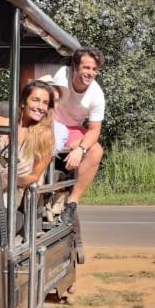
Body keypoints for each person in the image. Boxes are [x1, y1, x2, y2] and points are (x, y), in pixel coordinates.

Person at [50, 48, 105, 222]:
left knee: (96, 151)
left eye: (94, 69)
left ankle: (71, 202)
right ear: (75, 67)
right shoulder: (60, 74)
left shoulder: (96, 95)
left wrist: (81, 149)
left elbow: (94, 130)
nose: (90, 73)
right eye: (86, 68)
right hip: (50, 122)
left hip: (73, 129)